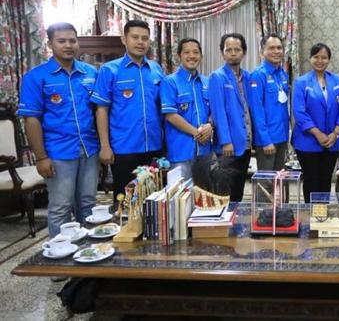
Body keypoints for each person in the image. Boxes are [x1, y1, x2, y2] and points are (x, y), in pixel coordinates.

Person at [17, 22, 99, 237]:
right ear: (50, 44)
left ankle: (87, 250)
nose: (68, 45)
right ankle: (60, 252)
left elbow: (100, 111)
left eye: (72, 40)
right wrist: (41, 157)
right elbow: (31, 120)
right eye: (61, 41)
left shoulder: (90, 73)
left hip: (89, 149)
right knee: (61, 207)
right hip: (58, 152)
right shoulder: (36, 77)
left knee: (88, 204)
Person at [91, 20, 164, 205]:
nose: (140, 42)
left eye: (145, 38)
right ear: (124, 39)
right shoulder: (109, 70)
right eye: (135, 37)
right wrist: (105, 146)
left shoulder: (156, 69)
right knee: (126, 204)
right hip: (124, 148)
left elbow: (163, 108)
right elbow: (101, 109)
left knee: (155, 202)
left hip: (155, 146)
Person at [292, 43, 339, 203]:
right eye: (316, 57)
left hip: (332, 142)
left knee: (325, 181)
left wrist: (335, 133)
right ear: (310, 59)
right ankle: (311, 214)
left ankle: (322, 213)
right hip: (307, 142)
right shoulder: (301, 82)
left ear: (329, 60)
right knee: (311, 180)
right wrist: (317, 134)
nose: (320, 60)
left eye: (324, 57)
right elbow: (299, 112)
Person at [160, 38, 213, 189]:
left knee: (204, 194)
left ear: (201, 56)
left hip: (205, 150)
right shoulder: (170, 82)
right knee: (181, 196)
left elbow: (214, 111)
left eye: (196, 52)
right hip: (181, 151)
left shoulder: (207, 82)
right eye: (187, 52)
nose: (192, 56)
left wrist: (210, 125)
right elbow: (170, 115)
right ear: (179, 56)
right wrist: (197, 133)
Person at [209, 33, 253, 201]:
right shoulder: (217, 77)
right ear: (222, 53)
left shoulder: (248, 77)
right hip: (228, 146)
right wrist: (225, 141)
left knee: (239, 189)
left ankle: (236, 217)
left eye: (237, 49)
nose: (233, 53)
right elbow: (218, 112)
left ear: (244, 52)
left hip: (245, 143)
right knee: (226, 192)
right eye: (229, 50)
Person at [248, 34, 289, 171]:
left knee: (279, 178)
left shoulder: (282, 74)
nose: (276, 51)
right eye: (271, 48)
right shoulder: (258, 75)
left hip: (282, 136)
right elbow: (256, 111)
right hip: (267, 140)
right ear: (262, 51)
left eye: (279, 48)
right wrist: (265, 140)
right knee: (266, 181)